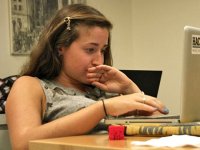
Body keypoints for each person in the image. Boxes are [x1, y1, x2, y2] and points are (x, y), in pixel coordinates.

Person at [5, 4, 169, 150]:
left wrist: (129, 88)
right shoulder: (30, 85)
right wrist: (103, 108)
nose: (99, 60)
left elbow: (163, 127)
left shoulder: (103, 89)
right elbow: (23, 143)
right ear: (60, 47)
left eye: (103, 50)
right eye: (90, 49)